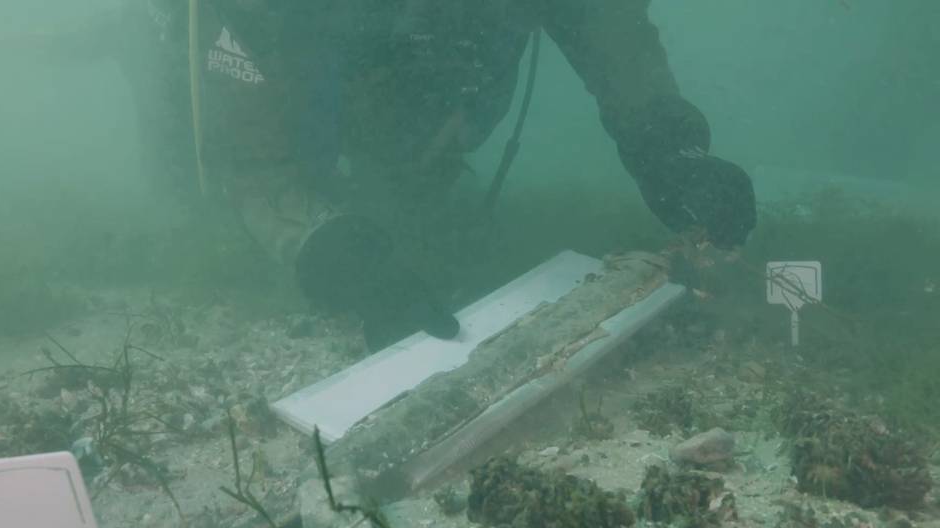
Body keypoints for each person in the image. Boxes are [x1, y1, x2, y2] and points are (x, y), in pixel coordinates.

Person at [77, 0, 758, 351]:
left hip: (419, 101)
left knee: (410, 189)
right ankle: (128, 44)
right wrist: (323, 247)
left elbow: (615, 41)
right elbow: (255, 163)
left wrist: (671, 151)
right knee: (187, 179)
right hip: (272, 80)